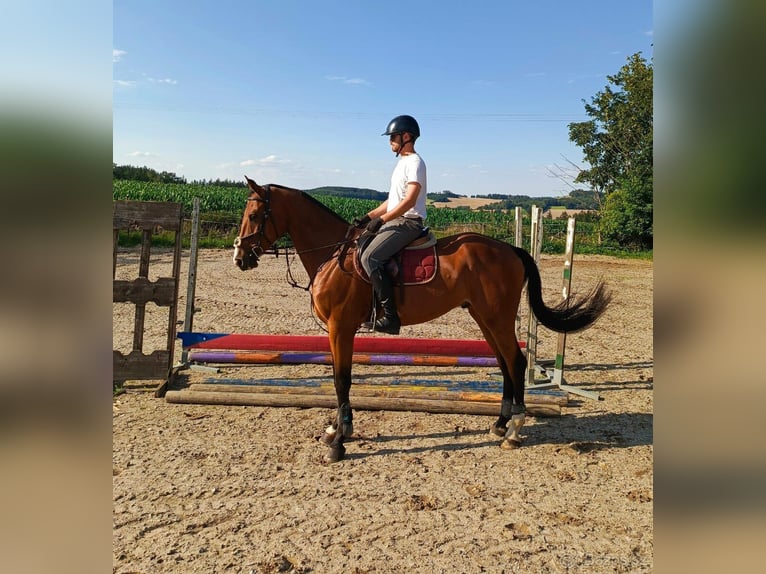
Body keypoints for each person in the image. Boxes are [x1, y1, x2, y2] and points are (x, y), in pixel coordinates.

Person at [353, 114, 427, 335]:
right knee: (360, 244)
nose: (390, 141)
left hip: (408, 223)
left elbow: (409, 200)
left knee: (371, 257)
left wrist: (382, 221)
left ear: (406, 136)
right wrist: (367, 218)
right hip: (396, 219)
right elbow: (392, 200)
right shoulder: (402, 163)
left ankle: (390, 317)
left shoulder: (415, 162)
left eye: (393, 137)